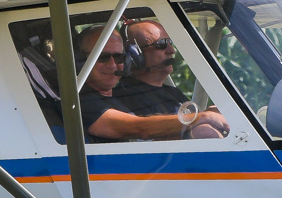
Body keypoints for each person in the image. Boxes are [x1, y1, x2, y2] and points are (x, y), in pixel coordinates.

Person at [73, 26, 229, 142]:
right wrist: (199, 119)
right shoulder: (80, 101)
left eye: (119, 58)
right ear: (80, 60)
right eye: (103, 57)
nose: (113, 65)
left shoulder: (113, 100)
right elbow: (139, 127)